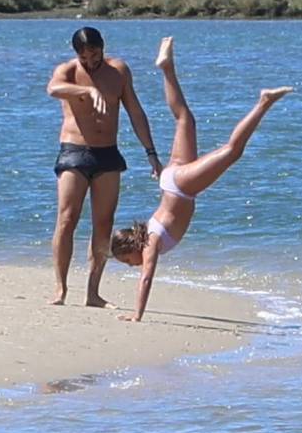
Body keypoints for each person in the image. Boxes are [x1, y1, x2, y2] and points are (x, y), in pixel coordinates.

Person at [110, 36, 292, 322]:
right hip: (172, 181)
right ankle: (166, 67)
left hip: (181, 187)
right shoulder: (149, 234)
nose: (131, 266)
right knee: (184, 119)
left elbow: (146, 279)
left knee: (232, 151)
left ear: (130, 249)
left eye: (126, 262)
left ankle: (263, 102)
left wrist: (137, 315)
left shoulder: (151, 243)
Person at [46, 27, 163, 307]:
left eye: (94, 54)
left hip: (108, 155)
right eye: (83, 56)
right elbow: (53, 89)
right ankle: (60, 289)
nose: (89, 60)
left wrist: (151, 154)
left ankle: (93, 292)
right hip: (74, 152)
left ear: (102, 48)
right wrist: (86, 89)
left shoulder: (118, 71)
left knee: (103, 224)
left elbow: (135, 112)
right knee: (67, 219)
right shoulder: (68, 71)